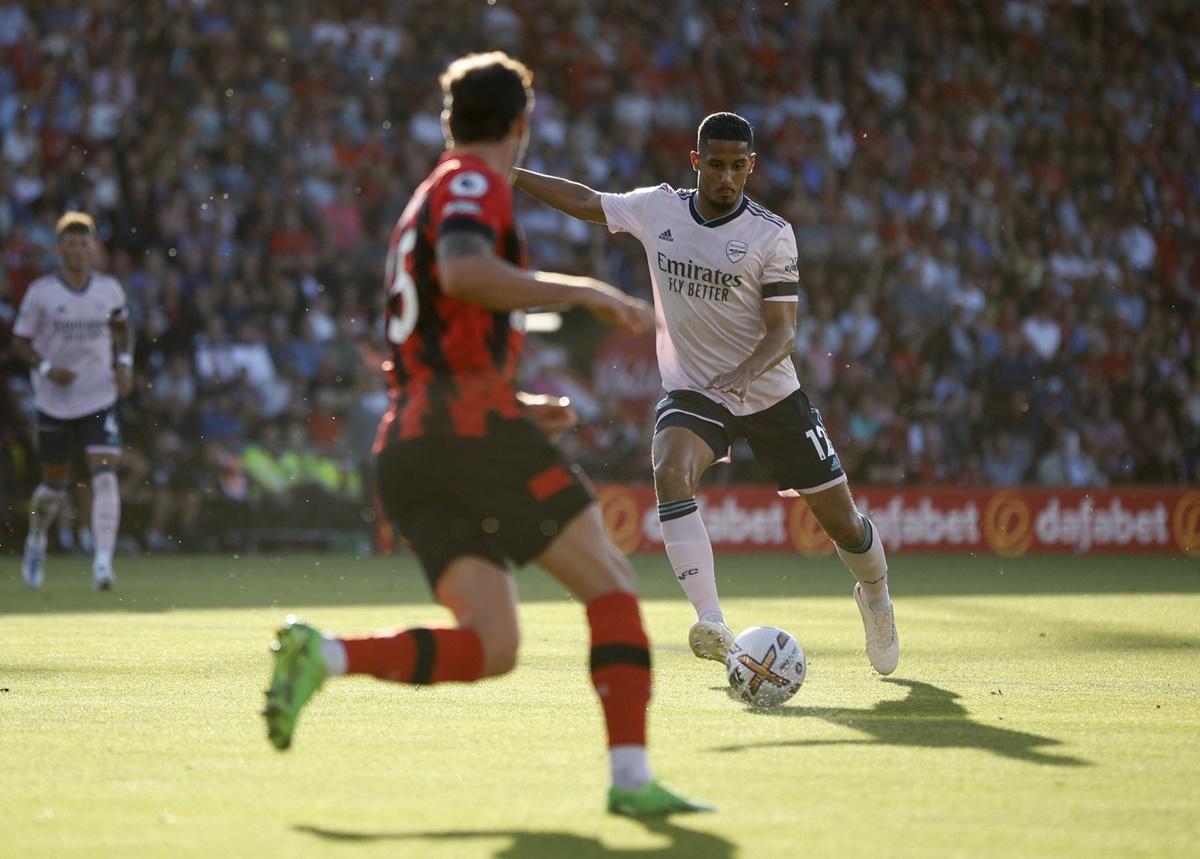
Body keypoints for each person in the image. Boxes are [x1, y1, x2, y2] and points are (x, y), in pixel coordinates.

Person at [261, 52, 709, 817]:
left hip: (411, 444)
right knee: (611, 582)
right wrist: (589, 292)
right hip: (465, 429)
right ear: (521, 124)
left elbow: (437, 333)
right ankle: (632, 780)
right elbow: (467, 275)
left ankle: (324, 653)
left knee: (494, 644)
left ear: (448, 121)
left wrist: (522, 402)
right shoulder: (472, 183)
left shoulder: (420, 202)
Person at [514, 112, 899, 675]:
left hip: (768, 392)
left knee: (842, 523)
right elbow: (586, 200)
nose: (726, 177)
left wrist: (744, 373)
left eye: (737, 167)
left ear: (751, 167)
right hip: (697, 390)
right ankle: (712, 621)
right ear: (696, 162)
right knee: (670, 470)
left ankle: (877, 598)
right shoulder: (657, 208)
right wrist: (512, 173)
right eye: (715, 165)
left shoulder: (771, 234)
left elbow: (783, 332)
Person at [13, 212, 133, 591]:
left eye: (85, 243)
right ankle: (36, 540)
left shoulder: (109, 289)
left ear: (93, 247)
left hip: (98, 394)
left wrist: (125, 363)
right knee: (54, 486)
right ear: (60, 248)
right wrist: (47, 368)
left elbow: (123, 328)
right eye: (72, 243)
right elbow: (20, 343)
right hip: (55, 399)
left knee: (105, 473)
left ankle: (102, 564)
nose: (79, 250)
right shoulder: (42, 293)